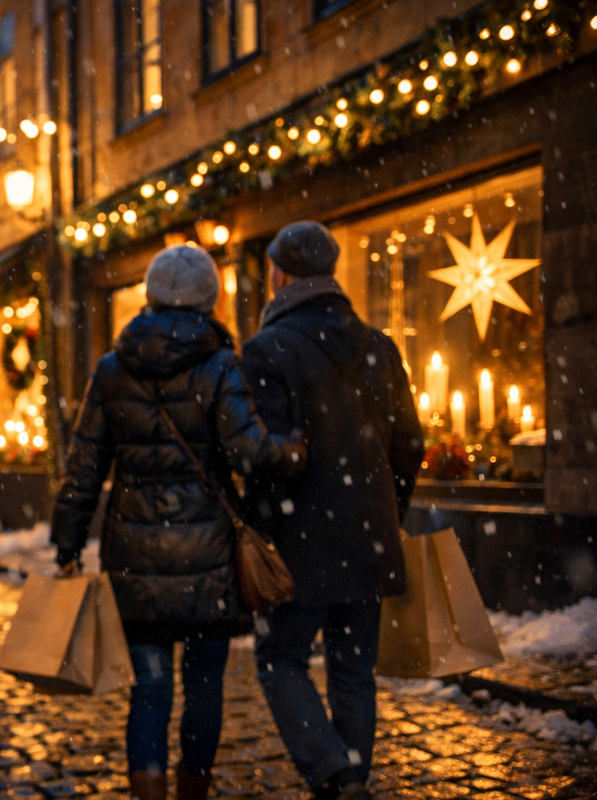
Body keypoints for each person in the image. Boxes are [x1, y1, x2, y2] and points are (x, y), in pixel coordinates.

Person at [50, 245, 307, 800]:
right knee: (204, 686)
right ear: (208, 300)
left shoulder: (113, 370)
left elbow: (84, 466)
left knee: (149, 690)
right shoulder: (219, 365)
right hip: (208, 557)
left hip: (134, 559)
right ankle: (193, 789)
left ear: (150, 295)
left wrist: (66, 541)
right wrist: (292, 449)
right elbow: (250, 454)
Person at [240, 222, 424, 800]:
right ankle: (349, 776)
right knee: (352, 669)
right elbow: (409, 444)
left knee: (280, 659)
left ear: (280, 273)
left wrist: (264, 527)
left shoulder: (268, 348)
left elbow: (265, 456)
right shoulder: (379, 345)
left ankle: (335, 773)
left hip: (297, 540)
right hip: (367, 537)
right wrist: (386, 511)